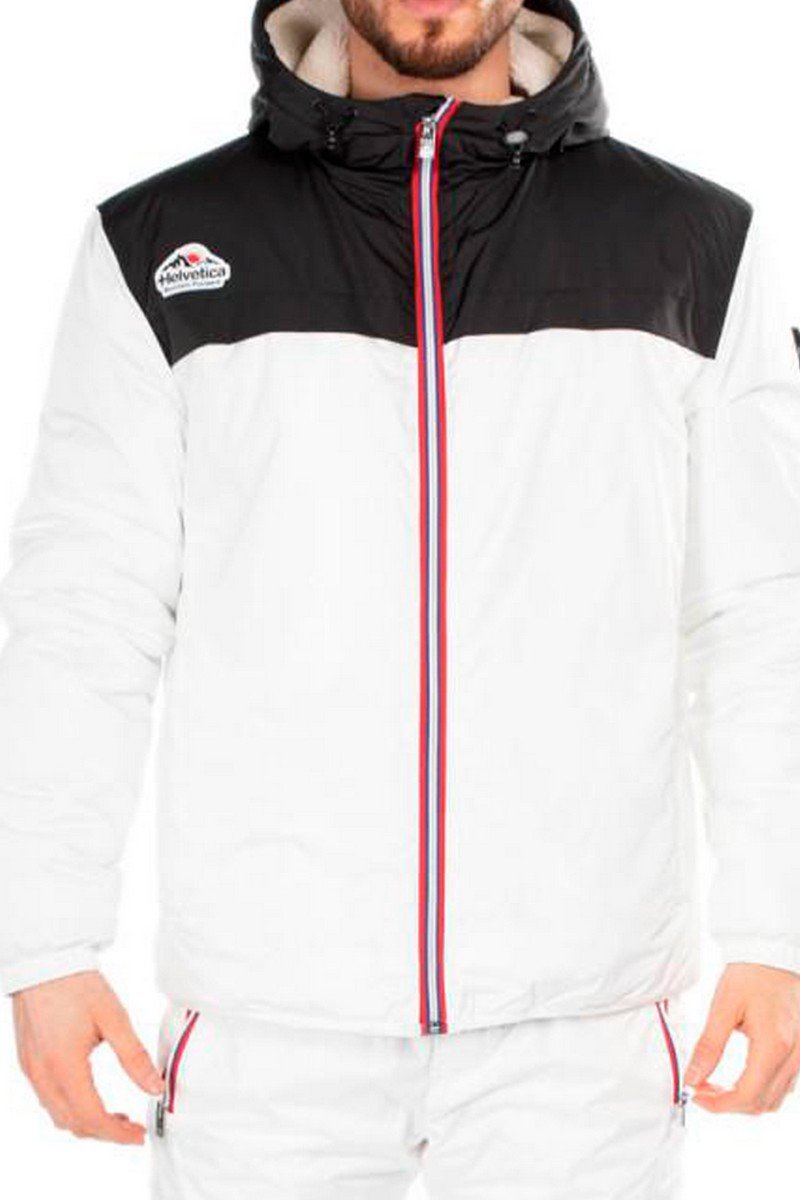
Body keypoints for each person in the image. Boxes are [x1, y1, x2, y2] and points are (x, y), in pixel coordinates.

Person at [2, 0, 800, 1195]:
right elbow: (84, 608)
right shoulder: (160, 242)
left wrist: (779, 928)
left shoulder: (692, 242)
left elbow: (758, 611)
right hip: (267, 1035)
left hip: (578, 1036)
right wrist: (43, 941)